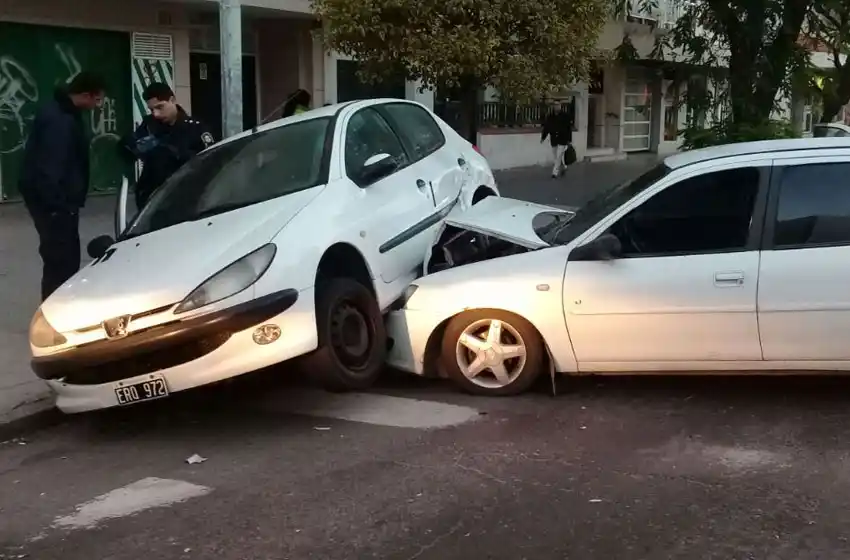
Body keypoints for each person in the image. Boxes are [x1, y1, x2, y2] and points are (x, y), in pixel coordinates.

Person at [18, 71, 106, 301]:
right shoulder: (60, 121)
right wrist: (58, 207)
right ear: (86, 95)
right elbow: (50, 168)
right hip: (55, 205)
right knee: (61, 261)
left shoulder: (62, 112)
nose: (98, 105)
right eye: (97, 99)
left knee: (61, 259)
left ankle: (57, 304)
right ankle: (55, 308)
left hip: (56, 202)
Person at [118, 82, 215, 210]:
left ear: (172, 100)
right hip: (151, 198)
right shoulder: (150, 125)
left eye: (160, 107)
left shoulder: (195, 129)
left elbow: (209, 164)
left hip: (184, 198)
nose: (156, 114)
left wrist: (172, 151)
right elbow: (131, 151)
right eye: (152, 110)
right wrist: (129, 145)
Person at [541, 101, 575, 178]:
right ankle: (564, 166)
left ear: (560, 106)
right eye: (555, 105)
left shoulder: (565, 116)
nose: (556, 107)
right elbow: (546, 127)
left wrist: (569, 140)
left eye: (558, 105)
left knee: (559, 155)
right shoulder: (550, 116)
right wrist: (543, 137)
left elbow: (568, 128)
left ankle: (554, 173)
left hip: (563, 139)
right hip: (554, 139)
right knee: (555, 156)